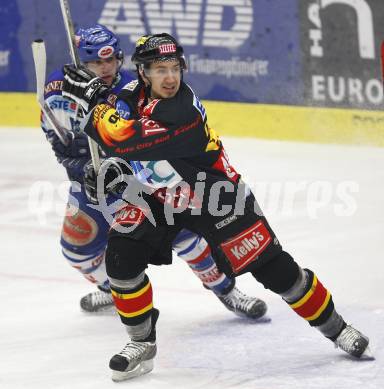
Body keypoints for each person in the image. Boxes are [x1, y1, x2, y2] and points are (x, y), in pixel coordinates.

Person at [61, 33, 372, 382]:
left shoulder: (183, 109)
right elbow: (119, 146)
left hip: (216, 196)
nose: (170, 77)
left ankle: (337, 328)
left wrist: (95, 101)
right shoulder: (129, 95)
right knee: (121, 260)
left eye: (175, 68)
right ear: (143, 73)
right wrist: (103, 168)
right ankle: (141, 344)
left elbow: (125, 138)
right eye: (160, 69)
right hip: (161, 198)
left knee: (277, 271)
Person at [41, 25, 267, 319]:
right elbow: (59, 142)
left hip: (137, 183)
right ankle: (115, 290)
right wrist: (80, 167)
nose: (106, 68)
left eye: (111, 60)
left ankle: (225, 289)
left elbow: (142, 143)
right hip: (91, 186)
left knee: (185, 238)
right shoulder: (57, 92)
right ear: (81, 63)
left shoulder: (136, 89)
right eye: (97, 62)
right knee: (76, 249)